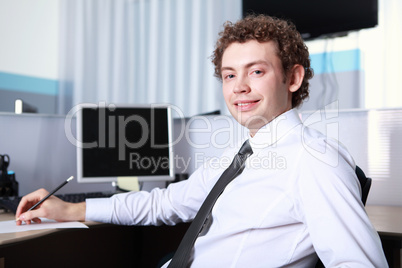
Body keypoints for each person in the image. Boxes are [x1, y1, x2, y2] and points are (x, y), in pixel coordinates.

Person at [16, 14, 387, 267]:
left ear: (293, 78)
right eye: (228, 75)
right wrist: (71, 210)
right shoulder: (244, 154)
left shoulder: (314, 162)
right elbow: (167, 203)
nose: (239, 87)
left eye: (256, 71)